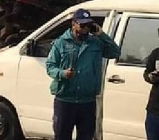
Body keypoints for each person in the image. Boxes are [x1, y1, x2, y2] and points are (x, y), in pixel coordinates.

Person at [45, 9, 121, 140]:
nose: (85, 28)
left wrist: (102, 34)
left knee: (86, 136)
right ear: (73, 24)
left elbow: (115, 52)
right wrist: (62, 73)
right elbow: (50, 66)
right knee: (62, 136)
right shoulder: (61, 43)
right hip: (65, 99)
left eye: (88, 25)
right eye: (82, 25)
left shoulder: (96, 43)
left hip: (87, 101)